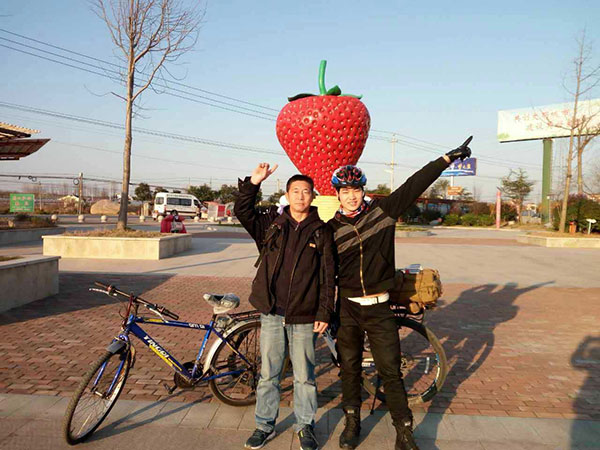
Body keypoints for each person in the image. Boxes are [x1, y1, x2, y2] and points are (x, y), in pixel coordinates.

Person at [328, 138, 472, 450]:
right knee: (349, 370)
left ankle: (404, 432)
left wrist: (445, 158)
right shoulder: (330, 229)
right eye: (345, 191)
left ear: (363, 191)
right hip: (348, 310)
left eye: (356, 190)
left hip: (380, 308)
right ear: (337, 194)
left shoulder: (384, 212)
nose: (351, 197)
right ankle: (352, 422)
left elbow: (414, 183)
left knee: (391, 372)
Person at [234, 163, 335, 450]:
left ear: (313, 196)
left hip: (305, 316)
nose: (301, 196)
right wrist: (253, 183)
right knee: (269, 374)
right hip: (271, 313)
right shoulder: (271, 226)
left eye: (306, 191)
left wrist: (325, 312)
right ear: (287, 195)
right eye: (295, 191)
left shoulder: (321, 232)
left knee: (305, 377)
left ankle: (305, 426)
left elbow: (329, 277)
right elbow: (242, 211)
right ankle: (264, 426)